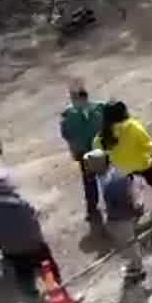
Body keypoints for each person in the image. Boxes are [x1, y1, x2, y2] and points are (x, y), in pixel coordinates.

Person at [0, 163, 60, 303]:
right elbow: (33, 220)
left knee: (24, 277)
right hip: (34, 246)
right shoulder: (19, 202)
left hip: (11, 251)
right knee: (48, 269)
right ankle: (58, 293)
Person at [96, 100, 152, 206]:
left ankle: (135, 204)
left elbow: (99, 150)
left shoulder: (102, 135)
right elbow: (146, 142)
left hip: (122, 167)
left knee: (133, 183)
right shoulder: (132, 126)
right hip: (141, 162)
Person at [86, 150, 144, 284]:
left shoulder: (113, 181)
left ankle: (137, 269)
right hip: (117, 215)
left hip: (120, 217)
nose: (86, 166)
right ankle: (134, 265)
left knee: (128, 242)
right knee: (125, 242)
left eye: (89, 164)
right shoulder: (105, 175)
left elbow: (127, 198)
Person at [58, 80, 108, 227]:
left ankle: (117, 202)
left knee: (108, 176)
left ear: (84, 98)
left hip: (101, 149)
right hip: (84, 153)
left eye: (76, 99)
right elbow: (66, 134)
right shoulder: (68, 116)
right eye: (73, 99)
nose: (74, 102)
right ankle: (92, 209)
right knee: (89, 180)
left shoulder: (100, 108)